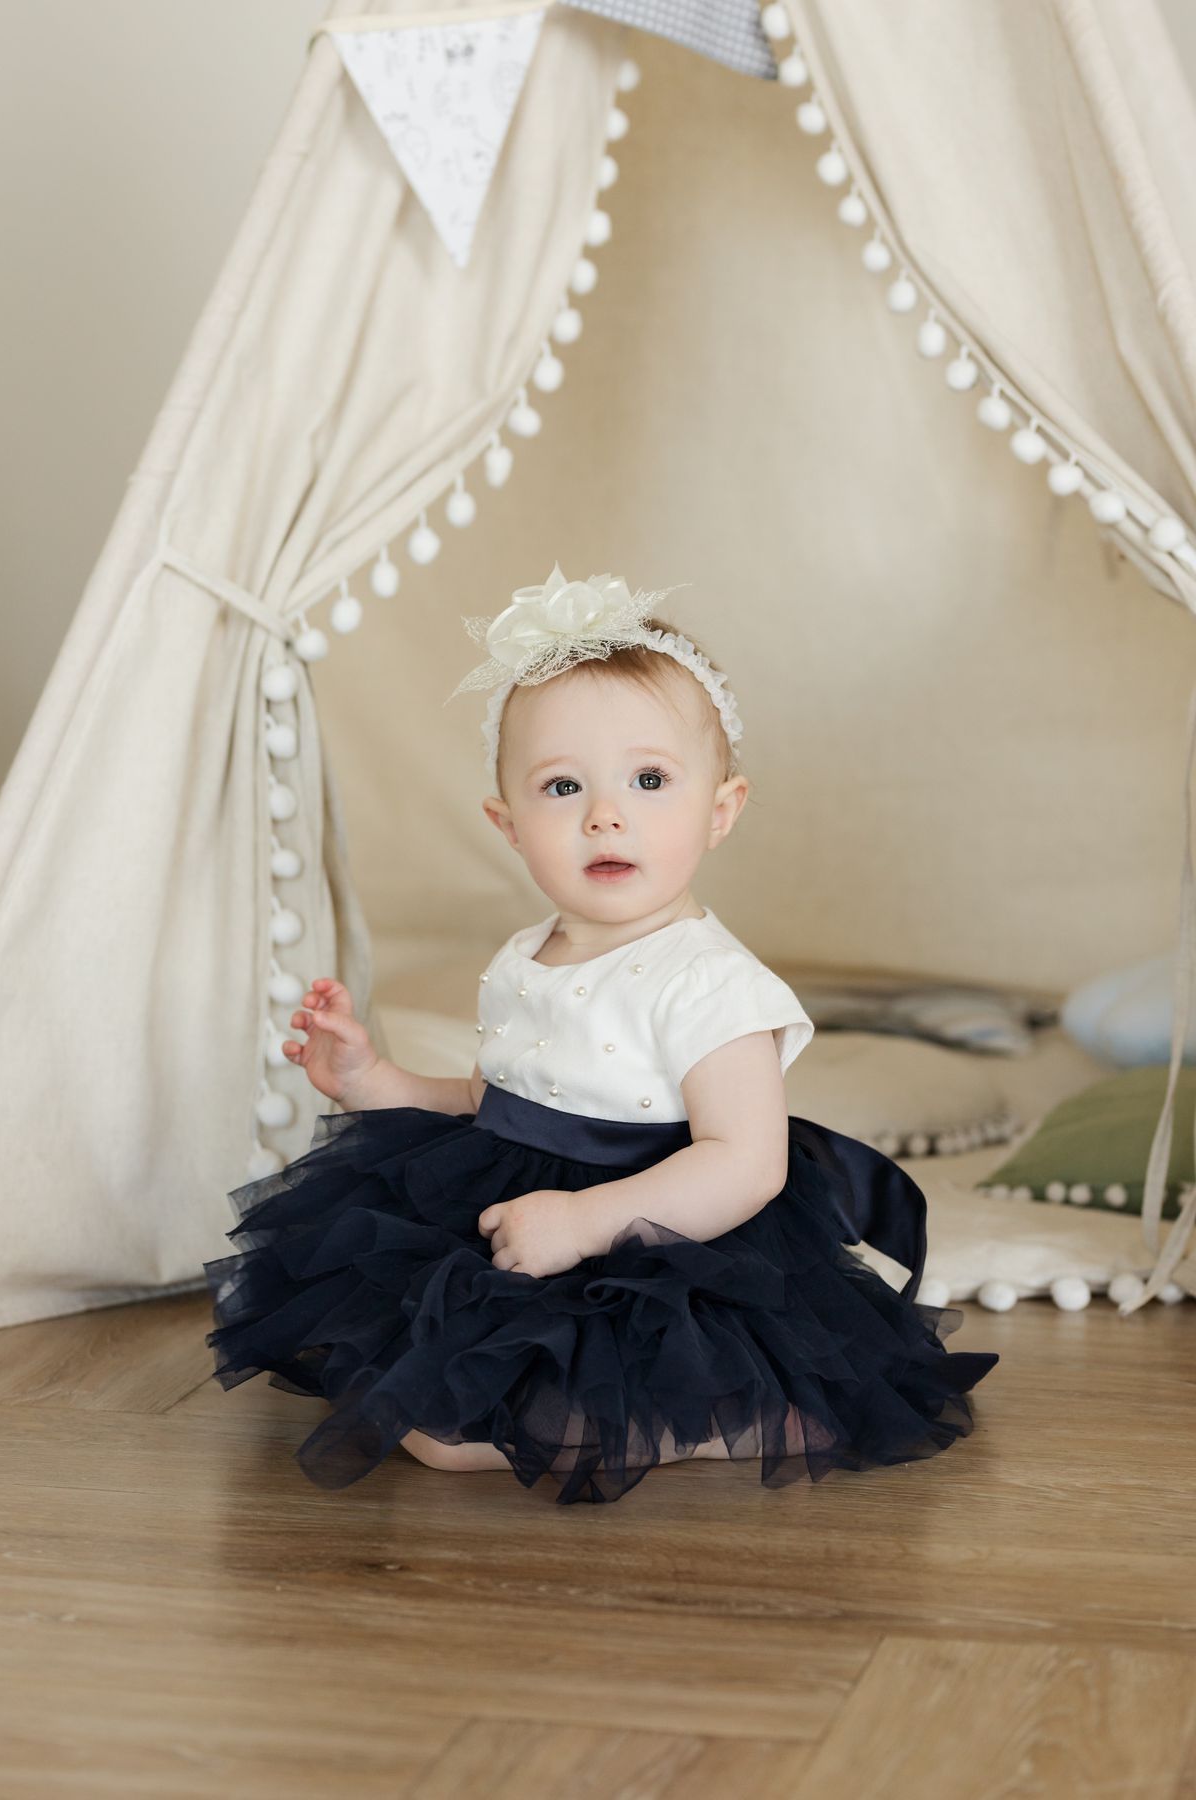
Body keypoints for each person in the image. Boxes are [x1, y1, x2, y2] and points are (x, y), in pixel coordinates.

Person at [203, 561, 998, 1504]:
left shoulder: (710, 981)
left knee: (467, 1430)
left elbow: (748, 1162)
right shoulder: (526, 951)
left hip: (660, 1233)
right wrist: (382, 1083)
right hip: (518, 1197)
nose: (606, 813)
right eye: (562, 786)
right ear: (507, 824)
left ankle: (739, 1411)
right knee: (398, 1371)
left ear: (721, 809)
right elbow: (511, 1098)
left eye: (650, 778)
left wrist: (585, 1222)